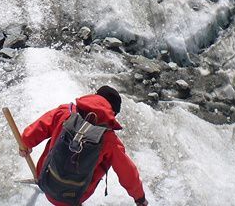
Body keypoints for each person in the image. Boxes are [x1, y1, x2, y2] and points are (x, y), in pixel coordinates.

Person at [20, 86, 148, 205]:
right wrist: (140, 198)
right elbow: (128, 173)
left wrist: (25, 144)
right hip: (74, 197)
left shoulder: (66, 112)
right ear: (112, 113)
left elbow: (39, 127)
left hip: (45, 179)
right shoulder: (110, 140)